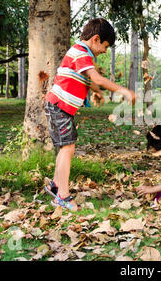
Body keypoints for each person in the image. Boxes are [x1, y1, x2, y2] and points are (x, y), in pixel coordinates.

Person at [44, 18, 135, 211]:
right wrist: (123, 91)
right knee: (67, 149)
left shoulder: (81, 54)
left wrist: (95, 91)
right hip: (59, 106)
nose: (104, 51)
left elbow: (88, 80)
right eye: (105, 46)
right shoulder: (80, 53)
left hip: (60, 107)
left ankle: (56, 186)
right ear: (95, 39)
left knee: (65, 148)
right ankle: (62, 196)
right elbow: (96, 78)